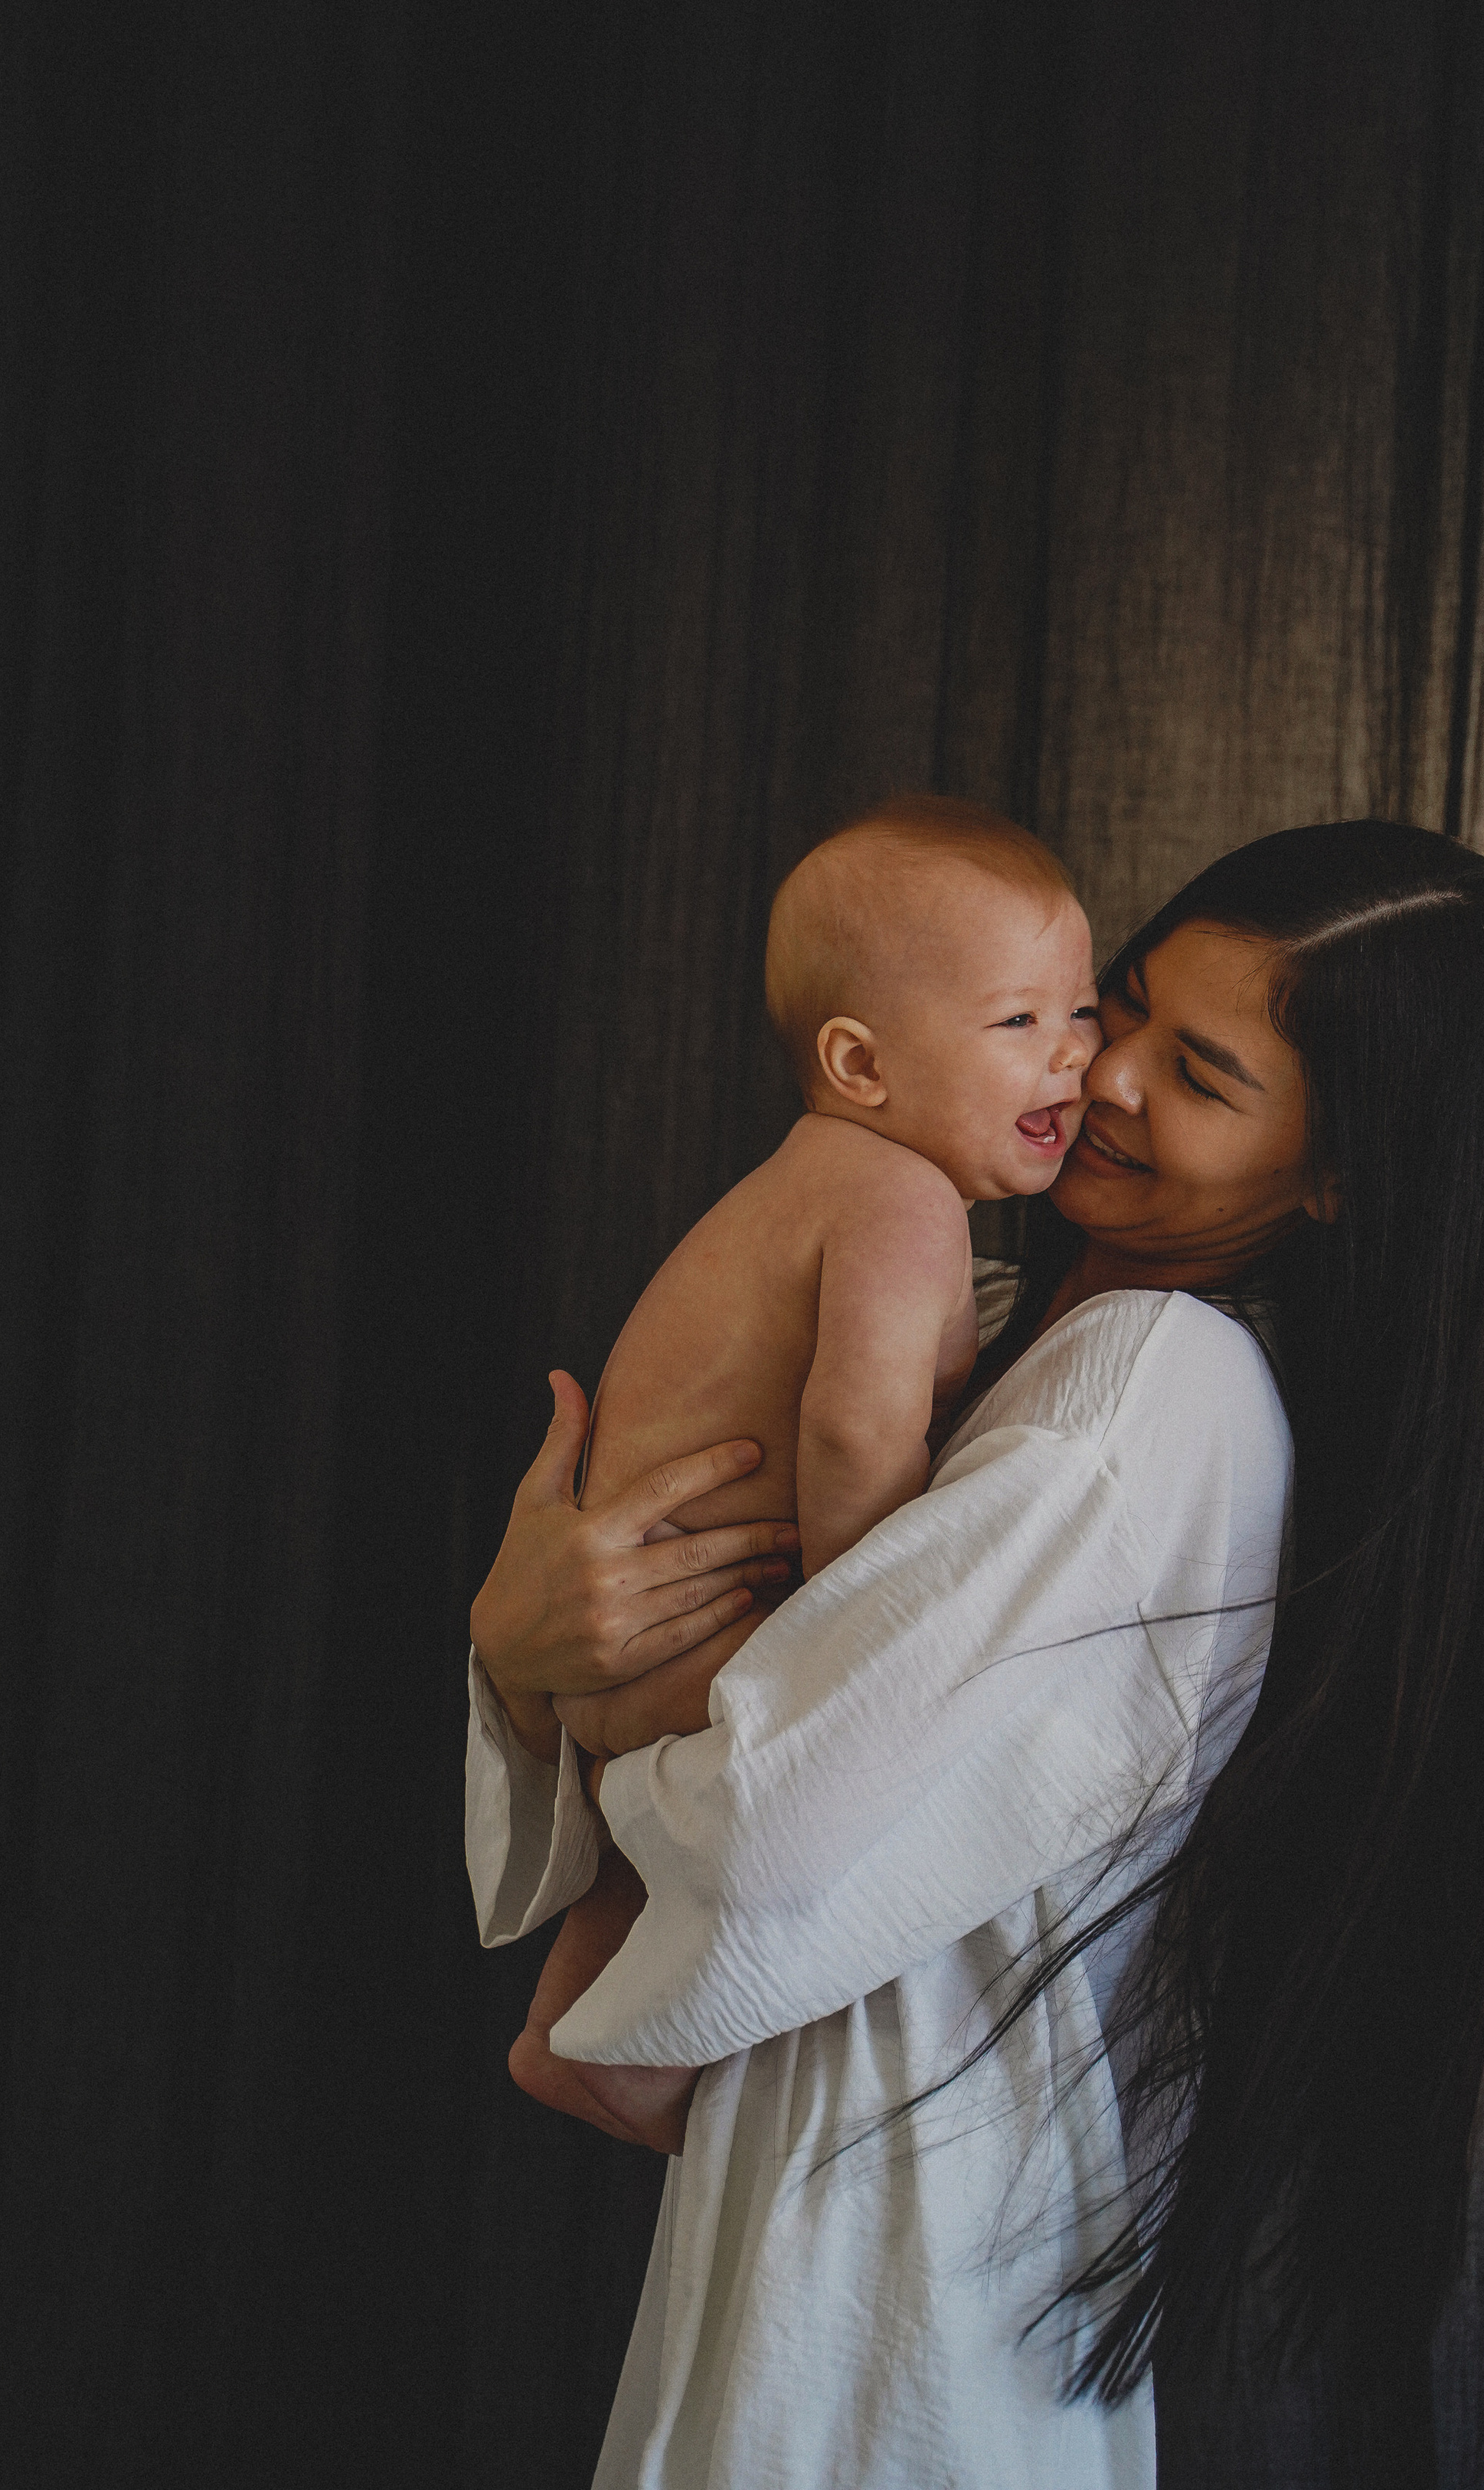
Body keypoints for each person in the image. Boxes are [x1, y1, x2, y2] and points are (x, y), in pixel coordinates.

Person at [466, 822, 1484, 2490]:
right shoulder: (1011, 1320)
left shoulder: (1142, 1391)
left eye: (1193, 1073)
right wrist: (520, 1647)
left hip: (897, 2233)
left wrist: (557, 1687)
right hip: (844, 2190)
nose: (1097, 1075)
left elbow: (766, 1823)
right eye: (1104, 1008)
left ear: (1334, 1172)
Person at [511, 795, 1101, 2151]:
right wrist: (858, 1639)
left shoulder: (815, 1183)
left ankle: (572, 2039)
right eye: (1018, 1023)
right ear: (861, 1062)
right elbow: (854, 1433)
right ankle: (637, 2065)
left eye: (1079, 1011)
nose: (1071, 1060)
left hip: (628, 1665)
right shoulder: (903, 1205)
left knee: (658, 1884)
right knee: (862, 1819)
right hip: (697, 1642)